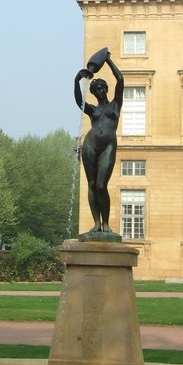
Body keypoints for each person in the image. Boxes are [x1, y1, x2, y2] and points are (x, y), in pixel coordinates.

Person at [74, 51, 125, 237]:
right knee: (92, 184)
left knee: (102, 185)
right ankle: (96, 224)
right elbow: (79, 102)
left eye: (102, 88)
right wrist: (76, 82)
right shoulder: (93, 110)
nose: (100, 92)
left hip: (108, 146)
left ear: (106, 89)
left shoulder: (115, 105)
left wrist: (108, 60)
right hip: (90, 145)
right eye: (96, 91)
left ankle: (106, 224)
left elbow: (120, 80)